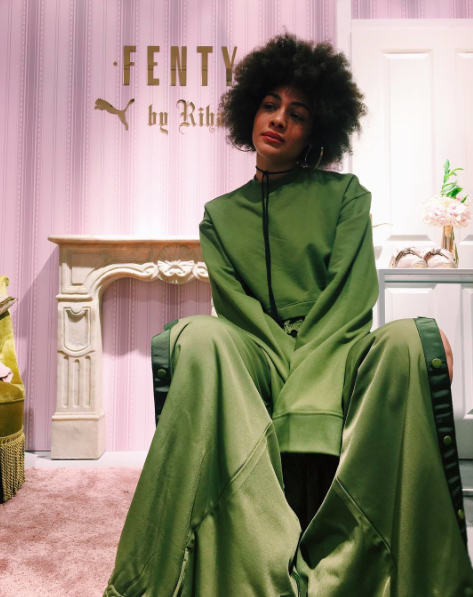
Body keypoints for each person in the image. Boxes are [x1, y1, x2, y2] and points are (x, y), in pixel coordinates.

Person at [102, 32, 472, 597]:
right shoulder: (219, 216)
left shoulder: (347, 195)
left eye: (297, 114)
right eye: (270, 105)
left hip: (339, 350)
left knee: (407, 339)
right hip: (257, 353)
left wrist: (304, 394)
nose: (278, 119)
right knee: (199, 335)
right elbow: (239, 314)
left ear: (315, 130)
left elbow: (349, 300)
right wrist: (284, 369)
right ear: (249, 113)